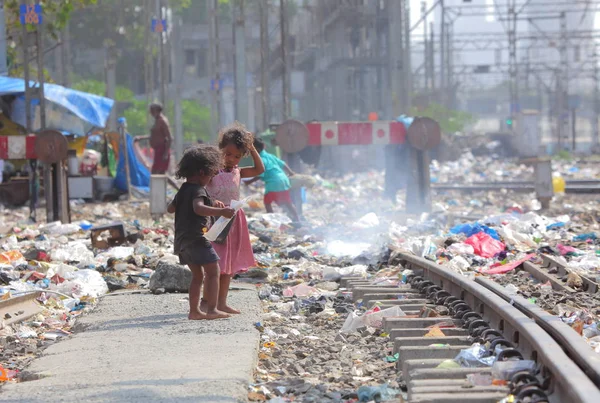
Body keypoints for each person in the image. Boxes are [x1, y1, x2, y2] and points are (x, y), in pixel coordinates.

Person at [167, 145, 235, 320]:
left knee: (197, 276)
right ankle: (212, 309)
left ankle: (194, 311)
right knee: (213, 272)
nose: (212, 177)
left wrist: (211, 203)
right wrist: (221, 212)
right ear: (202, 172)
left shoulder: (183, 189)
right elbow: (198, 209)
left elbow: (170, 209)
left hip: (182, 241)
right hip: (197, 238)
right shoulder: (198, 189)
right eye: (212, 174)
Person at [206, 122, 265, 314]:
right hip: (215, 220)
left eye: (237, 156)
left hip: (233, 220)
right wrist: (212, 203)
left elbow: (259, 169)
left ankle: (221, 303)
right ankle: (207, 302)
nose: (231, 159)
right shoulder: (212, 171)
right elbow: (201, 191)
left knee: (228, 266)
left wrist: (252, 148)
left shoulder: (238, 171)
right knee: (214, 263)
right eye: (227, 154)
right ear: (220, 150)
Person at [246, 137, 300, 222]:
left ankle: (271, 221)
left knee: (267, 203)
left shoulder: (259, 159)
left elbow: (260, 174)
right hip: (284, 180)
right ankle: (297, 219)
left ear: (255, 149)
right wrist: (291, 172)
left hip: (273, 182)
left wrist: (248, 181)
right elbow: (283, 164)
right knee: (288, 202)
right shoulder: (270, 156)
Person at [149, 103, 172, 174]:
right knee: (159, 173)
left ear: (157, 110)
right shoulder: (157, 120)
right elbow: (156, 135)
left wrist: (165, 153)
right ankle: (176, 185)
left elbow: (169, 138)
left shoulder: (162, 121)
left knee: (156, 172)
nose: (151, 112)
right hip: (157, 150)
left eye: (152, 110)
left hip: (162, 150)